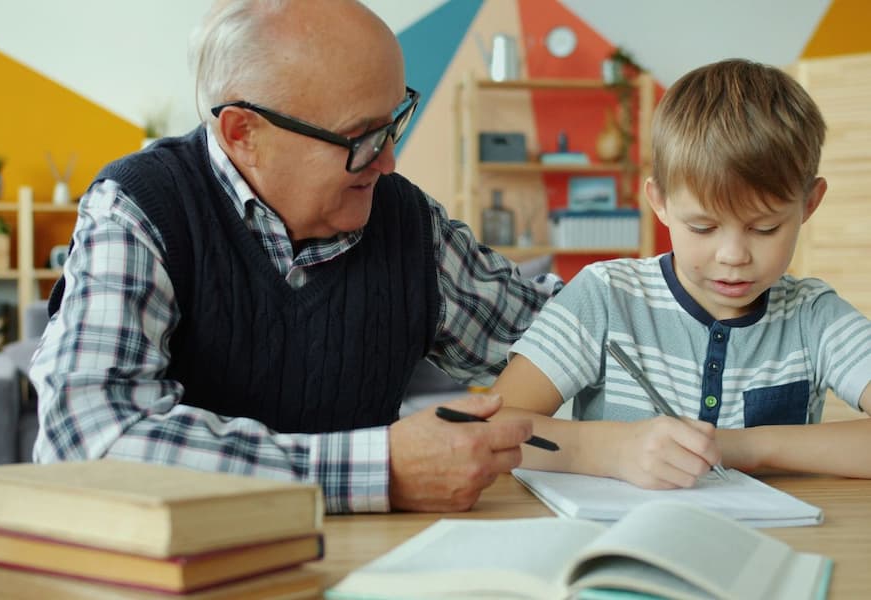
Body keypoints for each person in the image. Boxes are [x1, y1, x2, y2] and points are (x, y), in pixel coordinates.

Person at [30, 0, 562, 514]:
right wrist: (382, 471)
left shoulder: (408, 221)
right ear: (244, 134)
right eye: (361, 137)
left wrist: (633, 294)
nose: (389, 160)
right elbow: (88, 442)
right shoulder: (139, 209)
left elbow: (559, 338)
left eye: (393, 121)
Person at [489, 58, 871, 488]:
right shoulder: (604, 297)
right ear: (660, 202)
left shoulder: (815, 318)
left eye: (764, 228)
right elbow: (492, 429)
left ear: (809, 204)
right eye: (703, 227)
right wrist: (612, 450)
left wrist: (739, 447)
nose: (732, 255)